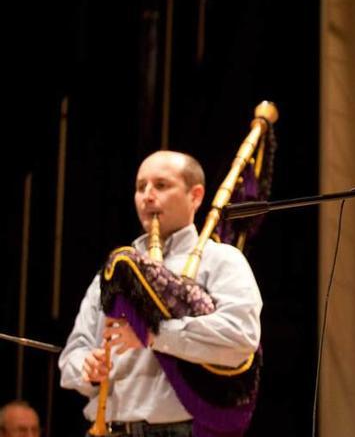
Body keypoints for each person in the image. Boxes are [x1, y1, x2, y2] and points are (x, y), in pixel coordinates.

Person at [58, 150, 263, 437]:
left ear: (196, 196)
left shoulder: (220, 260)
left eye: (161, 185)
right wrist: (87, 367)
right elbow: (72, 355)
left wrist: (152, 335)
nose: (147, 196)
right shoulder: (116, 269)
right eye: (141, 187)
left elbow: (240, 336)